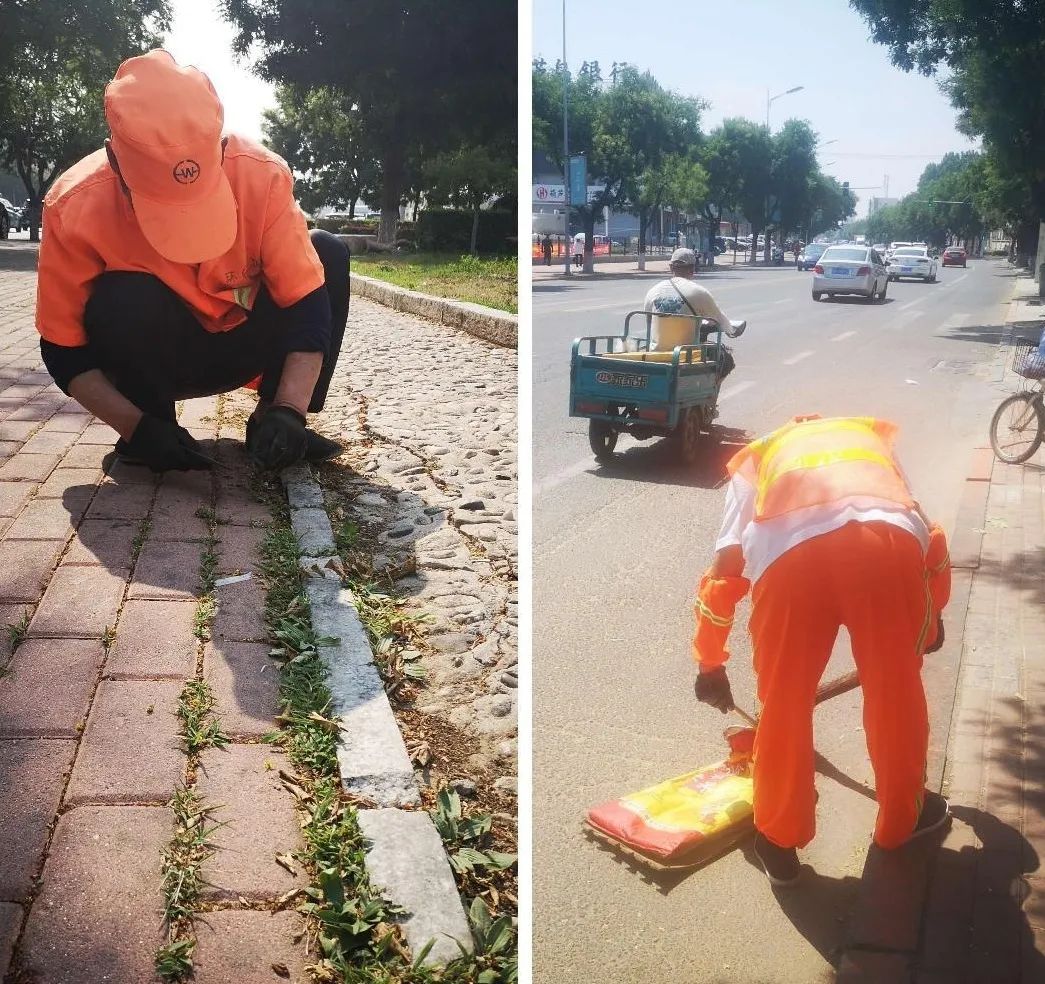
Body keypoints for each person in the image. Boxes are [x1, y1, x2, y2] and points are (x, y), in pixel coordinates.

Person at [35, 49, 347, 474]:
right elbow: (62, 349)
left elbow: (308, 303)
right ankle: (154, 428)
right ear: (114, 162)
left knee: (326, 253)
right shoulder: (72, 206)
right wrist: (135, 425)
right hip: (157, 365)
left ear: (219, 148)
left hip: (244, 348)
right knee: (120, 296)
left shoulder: (263, 176)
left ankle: (272, 420)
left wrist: (291, 407)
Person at [691, 414, 952, 886]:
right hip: (886, 548)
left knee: (784, 703)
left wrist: (710, 662)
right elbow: (924, 529)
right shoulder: (869, 443)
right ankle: (903, 819)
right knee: (896, 690)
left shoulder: (758, 460)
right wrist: (930, 621)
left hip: (789, 563)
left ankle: (777, 840)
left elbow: (726, 567)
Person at [642, 247, 743, 377]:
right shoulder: (698, 292)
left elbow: (649, 322)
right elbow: (721, 320)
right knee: (726, 360)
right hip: (685, 355)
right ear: (693, 269)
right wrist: (731, 331)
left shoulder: (653, 290)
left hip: (655, 354)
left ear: (671, 267)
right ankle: (710, 395)